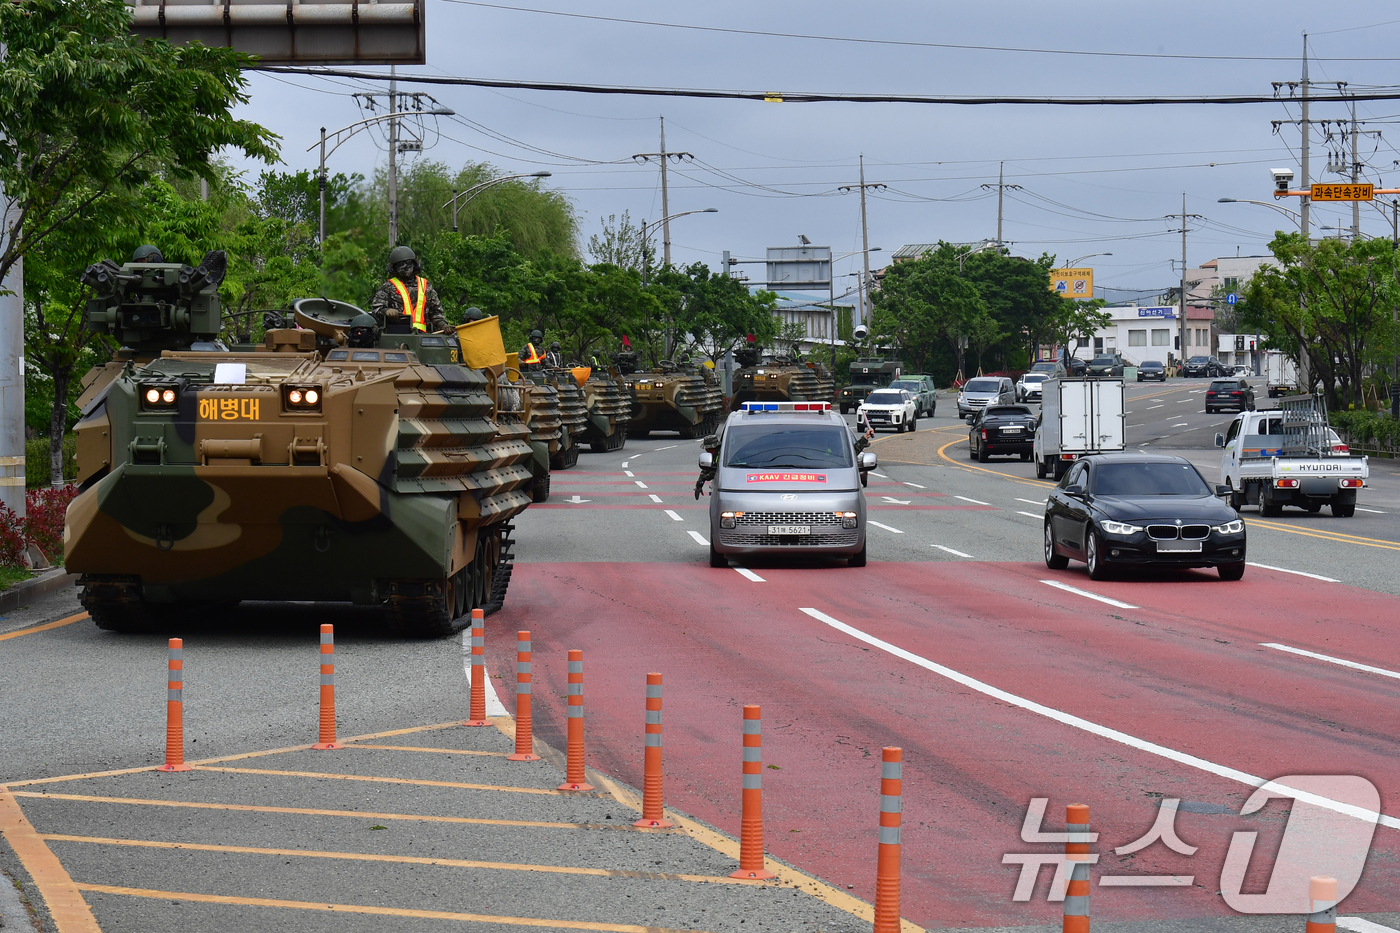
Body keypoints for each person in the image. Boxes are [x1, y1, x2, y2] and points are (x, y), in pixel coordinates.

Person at [369, 246, 449, 333]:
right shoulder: (388, 287)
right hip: (396, 335)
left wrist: (444, 326)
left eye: (408, 262)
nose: (405, 266)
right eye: (400, 264)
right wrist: (387, 311)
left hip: (422, 337)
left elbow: (436, 312)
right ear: (394, 268)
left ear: (415, 264)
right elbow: (376, 310)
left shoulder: (425, 285)